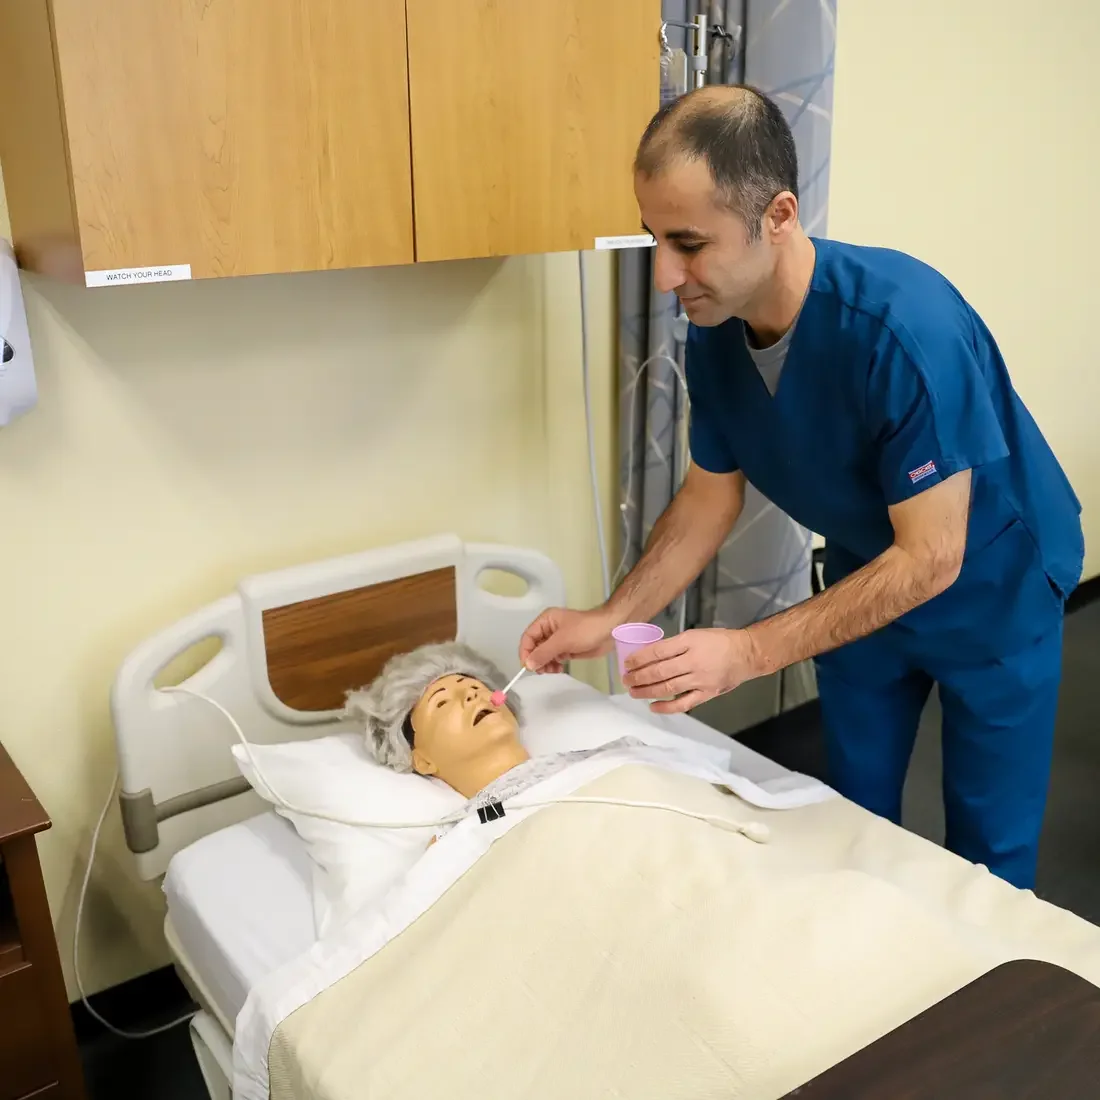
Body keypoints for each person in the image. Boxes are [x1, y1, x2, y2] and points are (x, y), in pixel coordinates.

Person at [519, 85, 1084, 891]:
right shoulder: (717, 329)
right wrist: (612, 616)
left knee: (988, 857)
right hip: (865, 569)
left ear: (778, 216)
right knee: (847, 819)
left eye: (688, 243)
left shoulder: (904, 329)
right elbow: (709, 497)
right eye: (655, 240)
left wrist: (747, 652)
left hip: (993, 583)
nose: (665, 275)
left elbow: (932, 556)